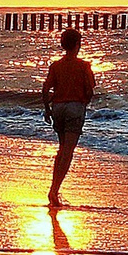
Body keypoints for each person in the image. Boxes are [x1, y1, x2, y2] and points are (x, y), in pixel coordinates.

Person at [41, 28, 96, 206]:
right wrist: (85, 102)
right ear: (77, 45)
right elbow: (90, 89)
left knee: (61, 149)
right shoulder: (84, 66)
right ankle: (54, 190)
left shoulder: (56, 65)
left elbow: (45, 89)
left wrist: (47, 109)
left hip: (58, 107)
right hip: (74, 107)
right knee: (68, 152)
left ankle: (54, 188)